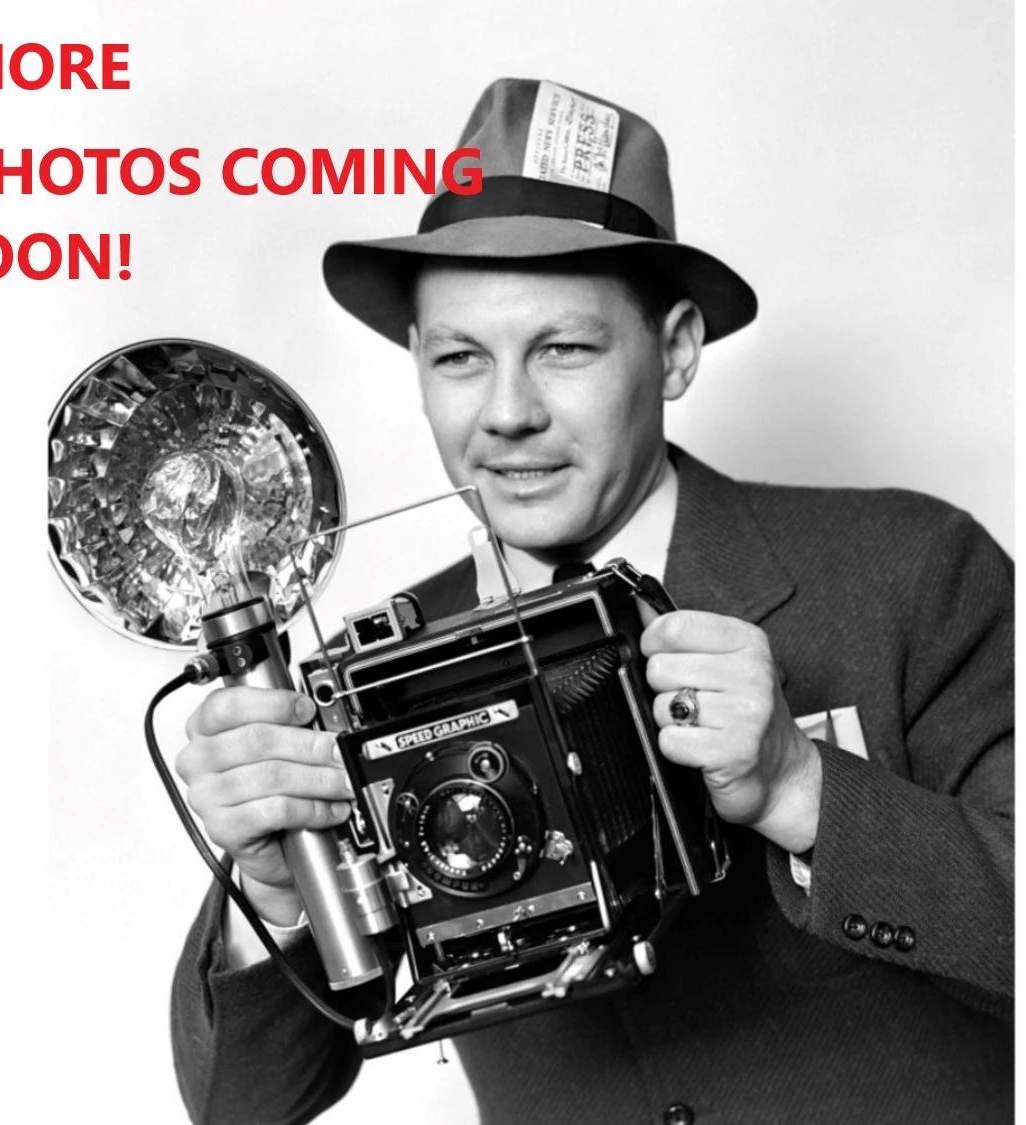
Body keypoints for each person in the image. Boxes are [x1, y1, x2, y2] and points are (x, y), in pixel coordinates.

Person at [169, 79, 1013, 1124]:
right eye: (460, 359)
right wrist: (273, 885)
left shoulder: (907, 569)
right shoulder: (367, 685)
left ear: (676, 350)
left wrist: (801, 788)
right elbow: (244, 1105)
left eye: (562, 349)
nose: (508, 413)